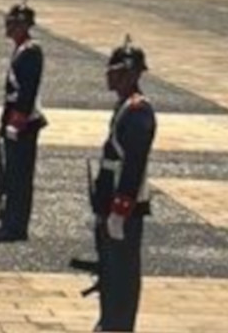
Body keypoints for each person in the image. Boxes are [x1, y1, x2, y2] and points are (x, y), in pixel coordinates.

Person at [91, 37, 157, 332]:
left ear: (130, 74)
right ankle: (111, 320)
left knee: (122, 273)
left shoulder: (138, 110)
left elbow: (133, 166)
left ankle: (119, 324)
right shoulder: (125, 106)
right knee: (111, 269)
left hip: (125, 207)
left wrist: (120, 210)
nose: (109, 75)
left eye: (116, 71)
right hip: (112, 201)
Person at [0, 3, 45, 242]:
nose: (9, 27)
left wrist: (16, 122)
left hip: (23, 124)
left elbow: (27, 92)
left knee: (20, 177)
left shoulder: (31, 51)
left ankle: (16, 226)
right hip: (15, 120)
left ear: (24, 26)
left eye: (13, 24)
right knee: (11, 174)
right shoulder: (22, 49)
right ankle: (10, 220)